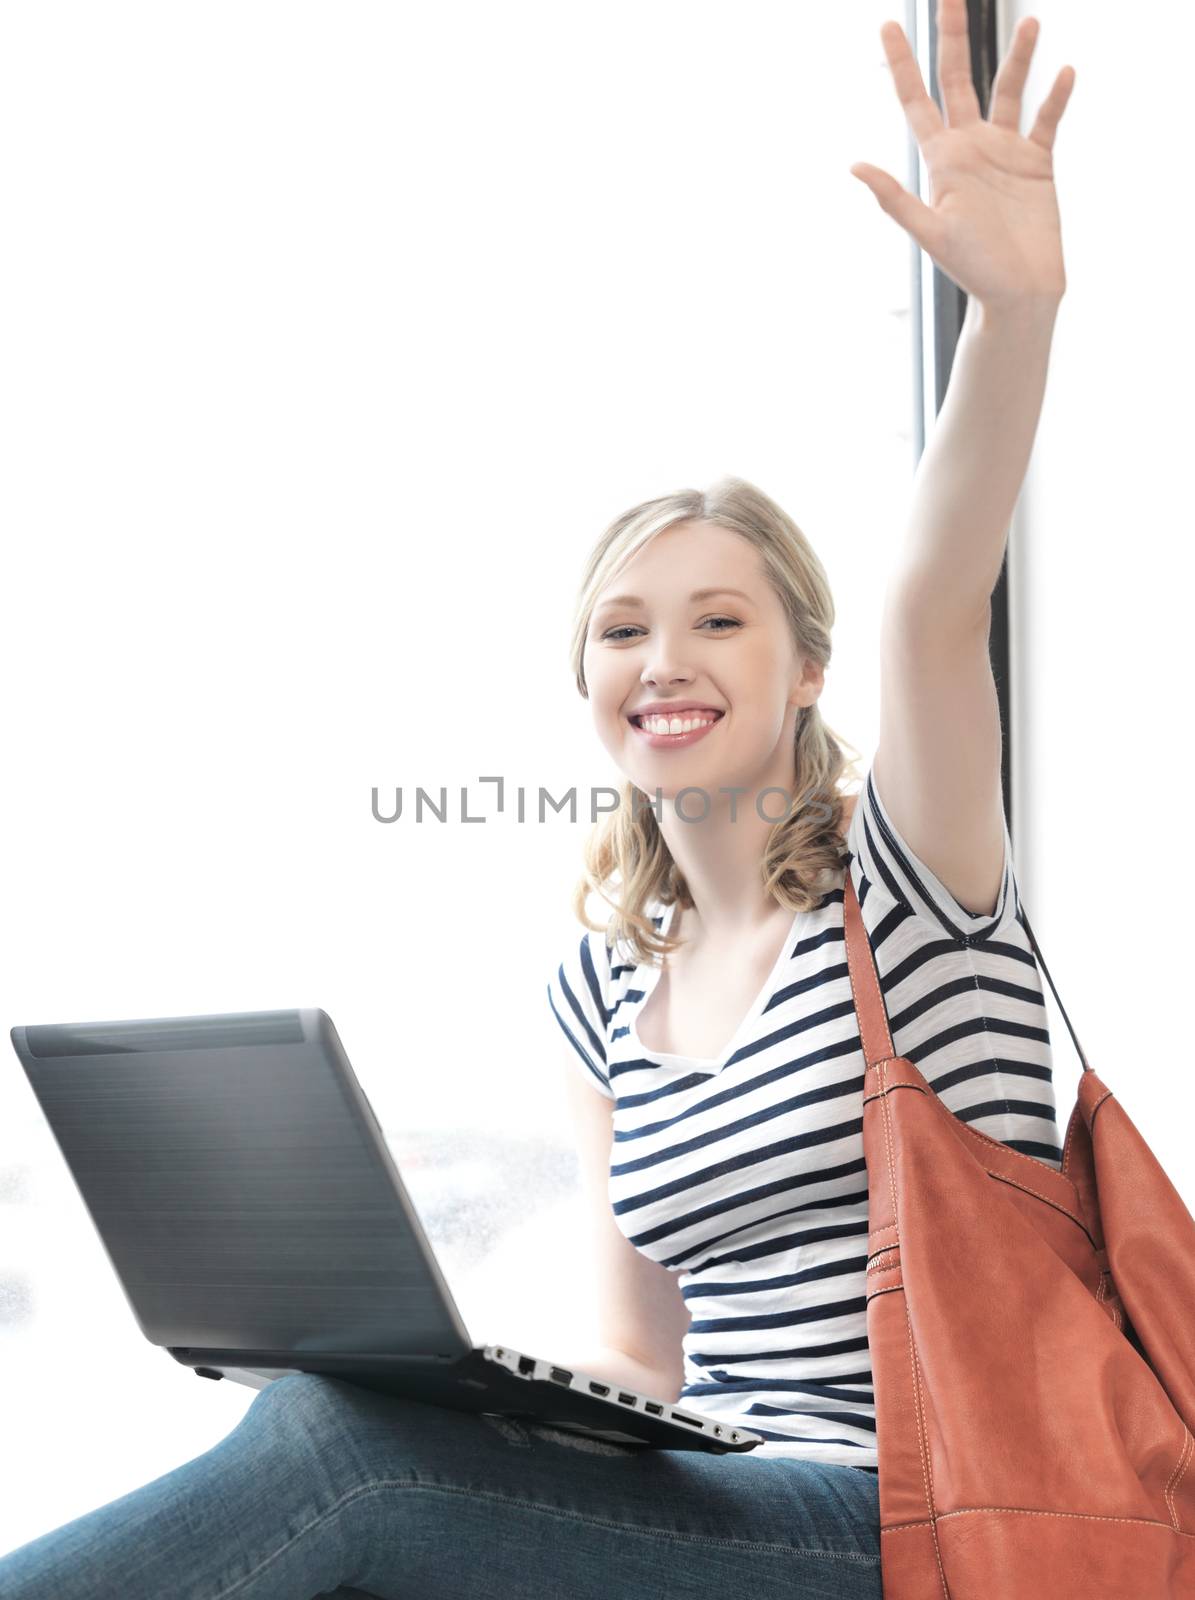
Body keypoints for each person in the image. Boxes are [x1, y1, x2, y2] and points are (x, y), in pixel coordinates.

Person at [0, 2, 1074, 1594]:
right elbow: (643, 1356)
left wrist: (1014, 313)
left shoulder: (908, 888)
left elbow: (935, 594)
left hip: (924, 1518)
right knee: (346, 1428)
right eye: (625, 630)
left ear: (806, 673)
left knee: (335, 1468)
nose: (666, 660)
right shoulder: (599, 989)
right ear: (583, 679)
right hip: (725, 1515)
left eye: (721, 621)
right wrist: (482, 1401)